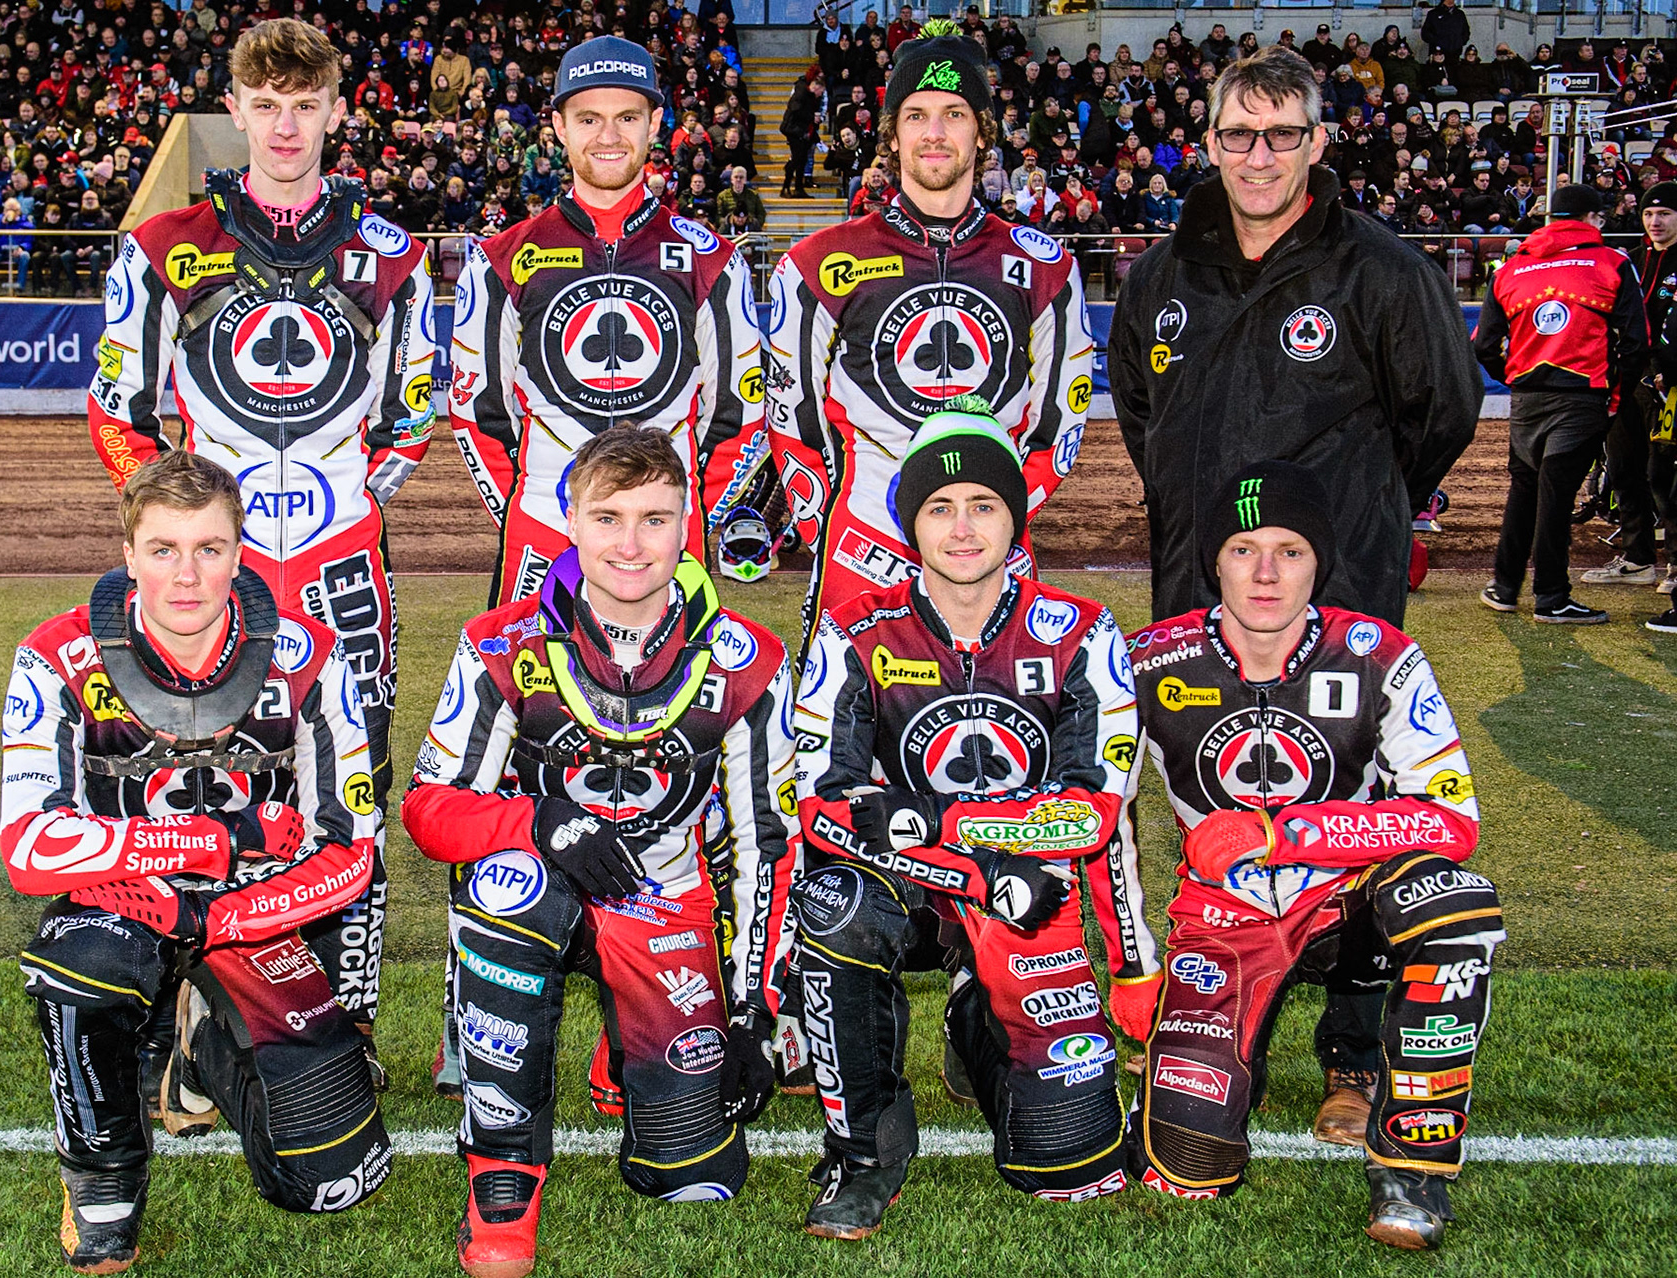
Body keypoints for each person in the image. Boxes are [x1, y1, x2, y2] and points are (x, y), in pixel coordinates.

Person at [1107, 46, 1482, 1148]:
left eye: (1281, 135)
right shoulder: (1162, 272)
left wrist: (1358, 517)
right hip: (1198, 599)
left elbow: (1443, 412)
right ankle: (1227, 1030)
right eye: (1238, 135)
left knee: (1354, 817)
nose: (1258, 156)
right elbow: (1142, 419)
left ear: (1318, 141)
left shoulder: (1378, 267)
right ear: (1209, 141)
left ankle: (1356, 1061)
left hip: (1346, 596)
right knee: (1212, 812)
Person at [86, 18, 439, 1045]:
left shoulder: (393, 258)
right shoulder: (163, 247)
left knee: (349, 802)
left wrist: (354, 501)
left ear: (338, 112)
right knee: (191, 791)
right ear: (233, 112)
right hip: (208, 584)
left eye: (306, 104)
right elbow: (116, 408)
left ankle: (344, 1031)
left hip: (343, 576)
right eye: (266, 105)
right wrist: (180, 516)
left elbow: (415, 409)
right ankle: (190, 1022)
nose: (286, 126)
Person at [402, 425, 798, 1278]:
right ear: (569, 520)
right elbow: (431, 811)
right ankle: (502, 1174)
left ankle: (634, 1051)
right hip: (536, 881)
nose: (630, 543)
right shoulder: (499, 644)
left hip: (662, 902)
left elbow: (769, 848)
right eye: (608, 516)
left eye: (654, 518)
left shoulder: (749, 663)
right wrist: (539, 823)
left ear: (688, 520)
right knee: (511, 896)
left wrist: (754, 1015)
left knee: (692, 1179)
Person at [1, 451, 390, 1273]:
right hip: (122, 898)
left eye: (209, 548)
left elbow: (353, 850)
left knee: (333, 1175)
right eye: (164, 549)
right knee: (82, 968)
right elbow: (28, 845)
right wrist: (207, 841)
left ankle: (204, 1044)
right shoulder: (57, 653)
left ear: (241, 553)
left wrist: (216, 914)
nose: (187, 574)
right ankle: (102, 1189)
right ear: (129, 554)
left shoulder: (311, 656)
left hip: (256, 910)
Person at [1121, 461, 1500, 1252]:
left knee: (1453, 902)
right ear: (1213, 559)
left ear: (1318, 562)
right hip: (1224, 919)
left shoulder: (1380, 654)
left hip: (1345, 904)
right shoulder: (1146, 664)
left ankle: (1412, 1167)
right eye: (1243, 549)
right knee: (1184, 1165)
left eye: (1290, 551)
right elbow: (1104, 820)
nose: (1265, 572)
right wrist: (1136, 963)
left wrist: (1280, 835)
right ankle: (1226, 1061)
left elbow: (1451, 818)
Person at [790, 401, 1142, 1236]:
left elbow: (1090, 815)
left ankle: (972, 1014)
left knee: (1072, 1164)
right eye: (939, 508)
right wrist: (975, 860)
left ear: (1014, 519)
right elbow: (824, 806)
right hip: (917, 887)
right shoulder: (851, 629)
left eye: (983, 504)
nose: (961, 527)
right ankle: (865, 1151)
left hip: (1026, 895)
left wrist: (923, 820)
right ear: (911, 523)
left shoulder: (1083, 632)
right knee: (834, 902)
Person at [765, 19, 1093, 643]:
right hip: (861, 546)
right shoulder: (816, 263)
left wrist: (990, 520)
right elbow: (790, 418)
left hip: (992, 551)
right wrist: (827, 526)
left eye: (954, 113)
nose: (935, 133)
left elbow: (1061, 421)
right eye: (915, 115)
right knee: (845, 735)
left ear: (982, 130)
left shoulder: (1046, 269)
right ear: (891, 133)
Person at [448, 35, 763, 609]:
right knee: (535, 696)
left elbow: (739, 411)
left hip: (670, 539)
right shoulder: (499, 259)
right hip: (544, 530)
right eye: (589, 118)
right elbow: (479, 413)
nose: (609, 136)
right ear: (560, 127)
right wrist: (557, 509)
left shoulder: (712, 259)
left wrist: (677, 511)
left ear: (655, 124)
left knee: (680, 697)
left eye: (627, 117)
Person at [1474, 183, 1648, 625]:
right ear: (1592, 219)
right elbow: (1635, 341)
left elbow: (1483, 346)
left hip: (1527, 396)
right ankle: (1552, 596)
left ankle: (1505, 586)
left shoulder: (1511, 269)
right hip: (1582, 394)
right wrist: (1616, 396)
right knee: (1555, 497)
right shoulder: (1612, 263)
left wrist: (1515, 377)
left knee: (1524, 490)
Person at [1586, 180, 1677, 602]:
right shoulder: (1631, 262)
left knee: (1666, 476)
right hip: (1624, 382)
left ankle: (1675, 564)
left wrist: (1667, 369)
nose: (1655, 221)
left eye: (1665, 214)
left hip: (1669, 386)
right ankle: (1638, 558)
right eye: (1648, 214)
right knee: (1623, 468)